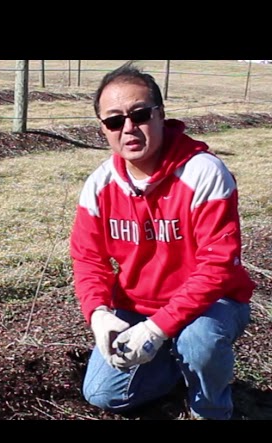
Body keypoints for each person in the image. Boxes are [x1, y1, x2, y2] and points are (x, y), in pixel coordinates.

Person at [69, 61, 256, 420]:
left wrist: (157, 329)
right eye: (114, 121)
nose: (128, 129)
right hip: (138, 307)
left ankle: (212, 408)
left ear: (160, 114)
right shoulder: (100, 184)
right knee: (102, 393)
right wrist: (98, 313)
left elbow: (216, 267)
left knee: (199, 341)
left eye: (140, 114)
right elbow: (87, 258)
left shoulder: (204, 173)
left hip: (212, 303)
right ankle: (175, 368)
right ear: (103, 129)